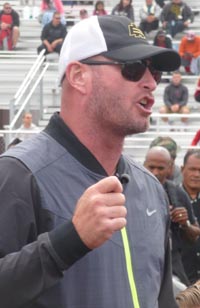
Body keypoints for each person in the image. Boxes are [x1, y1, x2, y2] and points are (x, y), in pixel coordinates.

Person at [0, 15, 181, 308]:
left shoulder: (150, 189)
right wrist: (68, 241)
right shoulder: (17, 175)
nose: (150, 83)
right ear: (79, 76)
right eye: (133, 69)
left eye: (155, 73)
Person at [144, 146, 200, 294]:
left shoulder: (177, 193)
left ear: (170, 168)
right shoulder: (134, 190)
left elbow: (194, 234)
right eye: (151, 167)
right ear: (143, 165)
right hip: (143, 264)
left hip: (174, 268)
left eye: (160, 168)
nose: (155, 172)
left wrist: (184, 223)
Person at [181, 150, 200, 283]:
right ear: (182, 169)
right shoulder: (169, 197)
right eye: (192, 169)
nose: (197, 175)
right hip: (181, 277)